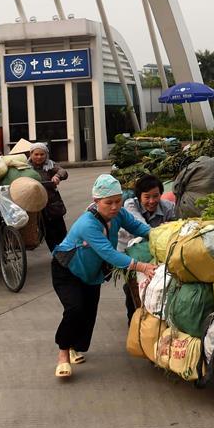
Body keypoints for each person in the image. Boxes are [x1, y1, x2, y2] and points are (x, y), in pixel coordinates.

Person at [51, 175, 157, 379]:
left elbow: (138, 228)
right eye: (109, 202)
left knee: (88, 313)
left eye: (118, 201)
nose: (115, 207)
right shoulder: (87, 224)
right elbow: (109, 253)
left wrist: (159, 234)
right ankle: (63, 354)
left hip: (91, 272)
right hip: (67, 269)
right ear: (96, 201)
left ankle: (74, 347)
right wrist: (141, 266)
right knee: (74, 308)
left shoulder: (120, 214)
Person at [118, 174, 177, 322]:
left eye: (156, 196)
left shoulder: (168, 207)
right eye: (147, 197)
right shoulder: (130, 205)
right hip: (130, 252)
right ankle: (133, 320)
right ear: (139, 197)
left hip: (154, 253)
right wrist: (164, 230)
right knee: (131, 287)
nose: (152, 201)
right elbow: (141, 227)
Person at [27, 142, 69, 252]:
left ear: (46, 155)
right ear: (31, 154)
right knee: (48, 233)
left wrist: (57, 176)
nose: (39, 157)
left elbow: (63, 171)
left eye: (42, 154)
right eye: (36, 154)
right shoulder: (25, 168)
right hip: (37, 205)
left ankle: (67, 253)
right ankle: (57, 255)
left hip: (53, 204)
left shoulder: (50, 165)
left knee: (61, 231)